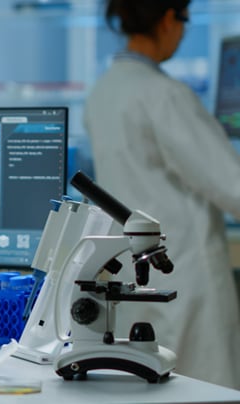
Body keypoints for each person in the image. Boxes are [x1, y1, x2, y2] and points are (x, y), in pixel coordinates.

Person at [84, 0, 240, 389]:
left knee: (145, 385)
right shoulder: (163, 95)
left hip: (134, 270)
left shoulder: (104, 91)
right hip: (185, 272)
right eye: (185, 22)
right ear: (170, 19)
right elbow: (231, 185)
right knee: (206, 386)